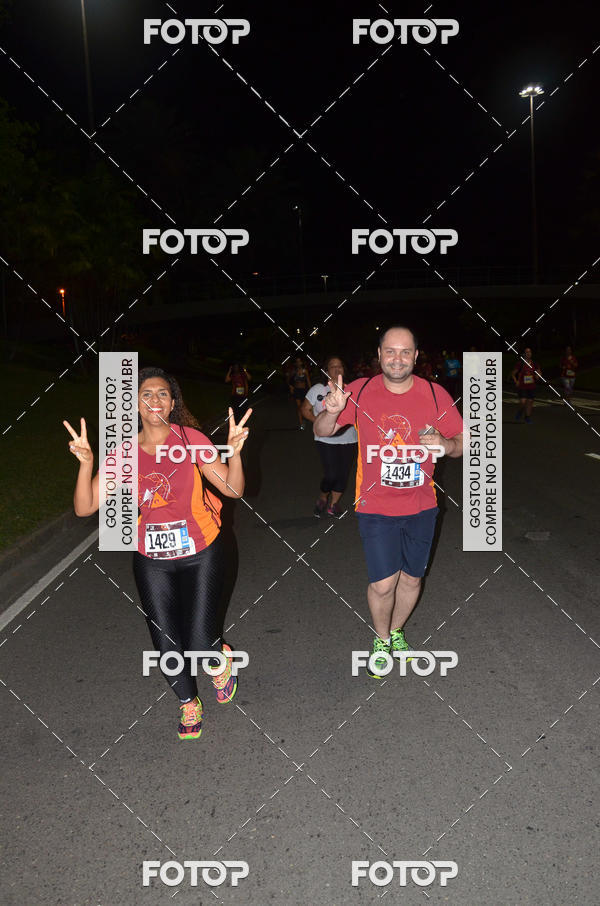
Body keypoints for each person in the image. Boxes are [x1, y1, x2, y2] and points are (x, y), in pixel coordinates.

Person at [63, 367, 251, 741]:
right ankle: (188, 702)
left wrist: (235, 453)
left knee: (200, 642)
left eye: (162, 393)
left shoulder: (191, 440)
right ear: (134, 404)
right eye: (146, 394)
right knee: (165, 641)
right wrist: (86, 465)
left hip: (201, 551)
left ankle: (219, 660)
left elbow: (233, 490)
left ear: (172, 402)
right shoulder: (125, 453)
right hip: (152, 560)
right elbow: (85, 507)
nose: (155, 400)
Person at [314, 326, 463, 677]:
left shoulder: (435, 394)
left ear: (416, 356)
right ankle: (381, 639)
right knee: (383, 583)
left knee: (411, 580)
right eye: (391, 351)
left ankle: (397, 632)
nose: (398, 358)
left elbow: (463, 441)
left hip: (422, 506)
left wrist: (446, 445)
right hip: (376, 506)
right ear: (379, 354)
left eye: (405, 351)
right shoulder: (359, 390)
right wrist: (332, 411)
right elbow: (322, 430)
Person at [301, 356, 358, 518]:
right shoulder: (318, 389)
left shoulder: (351, 389)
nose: (337, 369)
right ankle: (323, 497)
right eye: (333, 366)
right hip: (325, 439)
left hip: (349, 438)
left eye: (340, 366)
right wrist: (320, 423)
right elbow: (305, 409)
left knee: (343, 474)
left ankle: (333, 505)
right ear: (326, 371)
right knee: (331, 474)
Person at [512, 348, 541, 423]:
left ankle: (527, 417)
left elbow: (539, 372)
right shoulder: (520, 364)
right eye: (527, 352)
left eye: (530, 352)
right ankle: (520, 411)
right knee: (523, 401)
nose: (528, 353)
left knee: (530, 402)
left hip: (531, 386)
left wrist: (538, 375)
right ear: (524, 354)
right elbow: (513, 374)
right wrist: (516, 381)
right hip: (522, 386)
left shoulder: (534, 364)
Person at [288, 356, 311, 429]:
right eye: (297, 361)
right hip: (297, 390)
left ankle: (306, 418)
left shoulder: (305, 371)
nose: (298, 363)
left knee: (305, 407)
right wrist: (291, 387)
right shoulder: (293, 371)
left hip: (304, 390)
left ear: (302, 362)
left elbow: (308, 380)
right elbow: (289, 380)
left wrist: (311, 390)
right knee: (299, 407)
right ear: (295, 363)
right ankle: (301, 424)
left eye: (299, 361)